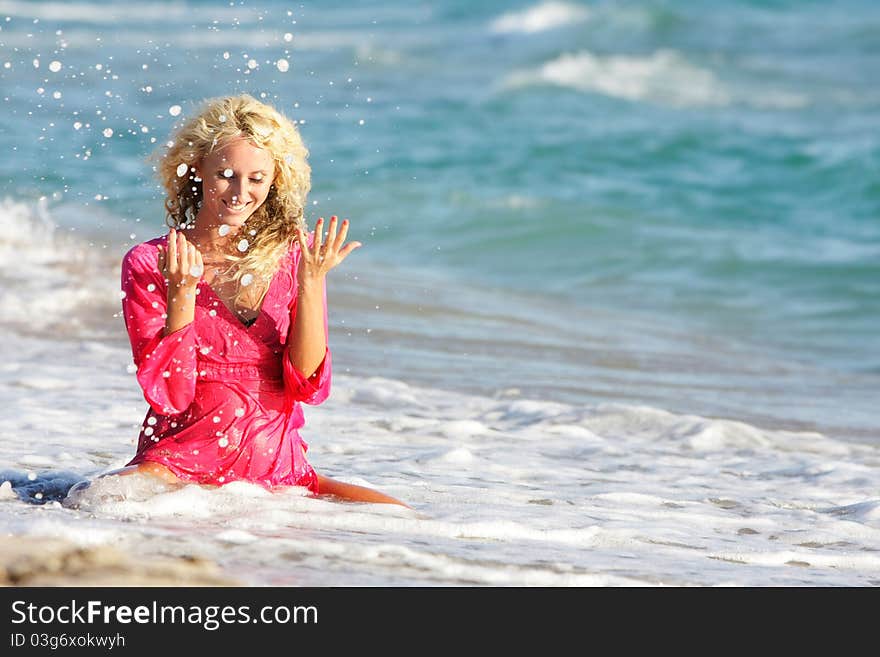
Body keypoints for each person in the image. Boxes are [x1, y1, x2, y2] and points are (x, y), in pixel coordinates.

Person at [114, 94, 406, 507]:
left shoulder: (294, 255)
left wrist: (311, 281)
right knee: (98, 499)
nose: (240, 192)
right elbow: (173, 395)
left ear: (275, 181)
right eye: (226, 175)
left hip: (277, 470)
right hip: (179, 467)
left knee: (399, 515)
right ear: (196, 167)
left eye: (256, 179)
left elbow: (305, 383)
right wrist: (182, 292)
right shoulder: (150, 263)